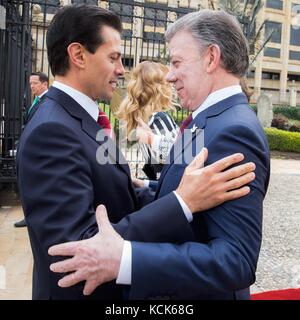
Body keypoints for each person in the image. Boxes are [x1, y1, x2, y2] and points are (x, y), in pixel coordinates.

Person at [49, 9, 270, 300]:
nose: (169, 76)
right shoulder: (210, 120)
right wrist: (147, 187)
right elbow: (193, 191)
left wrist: (125, 259)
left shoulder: (234, 132)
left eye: (177, 62)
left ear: (211, 58)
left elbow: (236, 260)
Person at [117, 61, 178, 181]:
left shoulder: (142, 122)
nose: (172, 85)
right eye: (168, 83)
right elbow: (179, 155)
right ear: (161, 89)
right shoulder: (160, 119)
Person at [14, 71, 49, 229]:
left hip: (38, 150)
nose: (32, 86)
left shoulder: (48, 101)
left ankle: (33, 217)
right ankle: (30, 216)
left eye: (34, 83)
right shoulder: (37, 100)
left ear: (44, 84)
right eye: (30, 84)